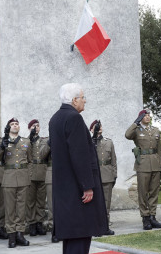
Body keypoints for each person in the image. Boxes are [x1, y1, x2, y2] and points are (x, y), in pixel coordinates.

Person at [49, 83, 106, 254]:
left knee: (72, 237)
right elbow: (79, 155)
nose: (85, 100)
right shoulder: (74, 118)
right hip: (77, 189)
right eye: (82, 97)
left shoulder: (55, 118)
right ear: (74, 100)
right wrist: (87, 186)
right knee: (80, 235)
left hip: (64, 188)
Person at [124, 109, 161, 230]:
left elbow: (159, 149)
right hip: (143, 164)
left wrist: (160, 164)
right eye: (145, 115)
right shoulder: (136, 130)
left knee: (154, 192)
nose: (148, 117)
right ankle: (145, 218)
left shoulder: (155, 130)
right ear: (140, 118)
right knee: (143, 192)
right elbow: (127, 135)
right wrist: (136, 122)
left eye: (149, 115)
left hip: (155, 163)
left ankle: (152, 216)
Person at [0, 118, 31, 248]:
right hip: (9, 177)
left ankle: (20, 234)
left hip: (23, 177)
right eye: (12, 124)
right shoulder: (3, 141)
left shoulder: (26, 141)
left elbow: (30, 159)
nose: (15, 126)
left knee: (21, 207)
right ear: (8, 127)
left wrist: (28, 175)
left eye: (16, 124)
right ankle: (11, 235)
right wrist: (1, 147)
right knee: (10, 208)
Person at [89, 120, 116, 236]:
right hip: (94, 175)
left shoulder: (108, 142)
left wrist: (114, 174)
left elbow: (114, 160)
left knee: (106, 202)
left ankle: (105, 226)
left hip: (106, 175)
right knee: (94, 203)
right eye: (96, 126)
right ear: (91, 129)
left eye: (100, 126)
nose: (99, 127)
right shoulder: (89, 142)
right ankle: (95, 226)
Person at [25, 119, 48, 236]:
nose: (36, 127)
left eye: (38, 126)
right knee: (30, 201)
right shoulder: (26, 141)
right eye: (33, 126)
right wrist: (30, 138)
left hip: (42, 171)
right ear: (29, 128)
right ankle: (32, 223)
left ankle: (39, 222)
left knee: (41, 200)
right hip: (31, 172)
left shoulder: (44, 140)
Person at [37, 135, 57, 242]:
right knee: (52, 204)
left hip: (65, 173)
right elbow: (41, 155)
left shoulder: (65, 137)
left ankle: (66, 229)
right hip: (51, 172)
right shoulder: (45, 140)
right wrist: (49, 143)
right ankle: (54, 230)